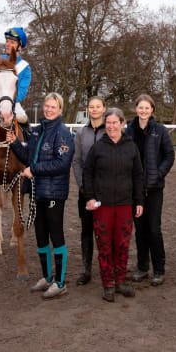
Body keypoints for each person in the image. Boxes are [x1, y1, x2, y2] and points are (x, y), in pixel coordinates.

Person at [7, 92, 74, 300]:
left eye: (53, 107)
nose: (49, 109)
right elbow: (28, 157)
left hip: (54, 192)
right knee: (41, 236)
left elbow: (62, 164)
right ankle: (47, 276)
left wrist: (34, 170)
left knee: (56, 236)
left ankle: (60, 282)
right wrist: (14, 143)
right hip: (37, 192)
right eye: (47, 106)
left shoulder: (63, 133)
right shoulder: (36, 132)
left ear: (60, 109)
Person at [83, 107, 144, 302]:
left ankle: (120, 281)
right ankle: (108, 283)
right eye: (108, 123)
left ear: (122, 123)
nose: (111, 126)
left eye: (114, 123)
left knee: (122, 244)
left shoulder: (131, 147)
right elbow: (88, 173)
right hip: (103, 206)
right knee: (104, 245)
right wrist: (90, 197)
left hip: (125, 205)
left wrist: (139, 200)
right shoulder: (98, 148)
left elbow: (138, 175)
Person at [126, 94, 174, 286]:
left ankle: (159, 269)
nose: (143, 111)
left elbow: (169, 156)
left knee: (154, 229)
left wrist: (158, 174)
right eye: (140, 107)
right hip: (134, 190)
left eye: (147, 108)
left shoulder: (160, 131)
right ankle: (142, 267)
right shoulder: (128, 130)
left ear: (152, 110)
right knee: (140, 230)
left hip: (154, 189)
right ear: (136, 109)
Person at [72, 96, 106, 286]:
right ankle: (86, 269)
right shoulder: (80, 133)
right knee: (86, 230)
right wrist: (82, 185)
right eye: (91, 107)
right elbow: (76, 161)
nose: (94, 110)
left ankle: (105, 267)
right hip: (85, 191)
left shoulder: (109, 130)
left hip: (106, 191)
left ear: (103, 109)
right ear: (88, 109)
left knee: (104, 231)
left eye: (97, 106)